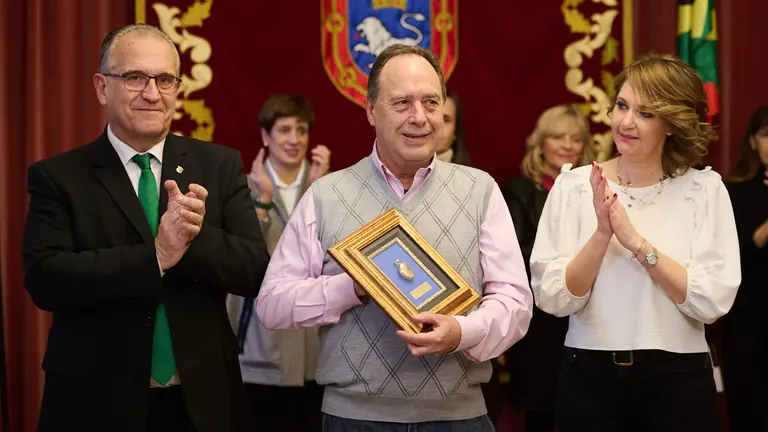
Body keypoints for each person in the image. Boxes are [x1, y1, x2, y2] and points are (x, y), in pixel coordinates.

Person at [254, 43, 533, 432]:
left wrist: (461, 333)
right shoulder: (326, 195)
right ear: (371, 111)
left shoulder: (480, 190)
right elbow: (272, 305)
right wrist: (352, 286)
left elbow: (516, 302)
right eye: (402, 102)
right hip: (353, 419)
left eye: (431, 103)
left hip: (458, 418)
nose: (419, 117)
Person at [21, 24, 269, 432]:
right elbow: (45, 279)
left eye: (165, 79)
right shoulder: (59, 176)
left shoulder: (219, 165)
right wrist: (154, 256)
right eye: (135, 77)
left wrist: (190, 238)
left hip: (202, 401)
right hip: (96, 401)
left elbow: (254, 271)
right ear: (102, 88)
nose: (152, 93)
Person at [530, 53, 741, 431]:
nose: (626, 122)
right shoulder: (574, 186)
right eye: (622, 107)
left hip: (679, 378)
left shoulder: (704, 190)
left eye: (645, 114)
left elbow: (711, 301)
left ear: (672, 124)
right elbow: (554, 298)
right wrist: (602, 234)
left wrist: (636, 242)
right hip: (588, 375)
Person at [228, 94, 330, 432]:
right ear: (265, 136)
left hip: (315, 354)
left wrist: (318, 195)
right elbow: (244, 260)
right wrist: (264, 204)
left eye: (301, 130)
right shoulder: (240, 188)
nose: (294, 140)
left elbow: (331, 259)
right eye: (284, 129)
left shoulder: (326, 189)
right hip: (259, 350)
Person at [502, 105, 595, 432]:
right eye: (558, 137)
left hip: (587, 317)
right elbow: (514, 254)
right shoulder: (519, 190)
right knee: (540, 411)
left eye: (576, 139)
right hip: (540, 319)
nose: (568, 146)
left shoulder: (595, 190)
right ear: (540, 142)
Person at [721, 105, 768, 431]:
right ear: (753, 141)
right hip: (747, 319)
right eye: (767, 135)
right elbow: (730, 260)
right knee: (748, 408)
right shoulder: (733, 191)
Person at [434, 89, 471, 165]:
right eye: (433, 117)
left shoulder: (473, 176)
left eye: (446, 119)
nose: (438, 125)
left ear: (455, 132)